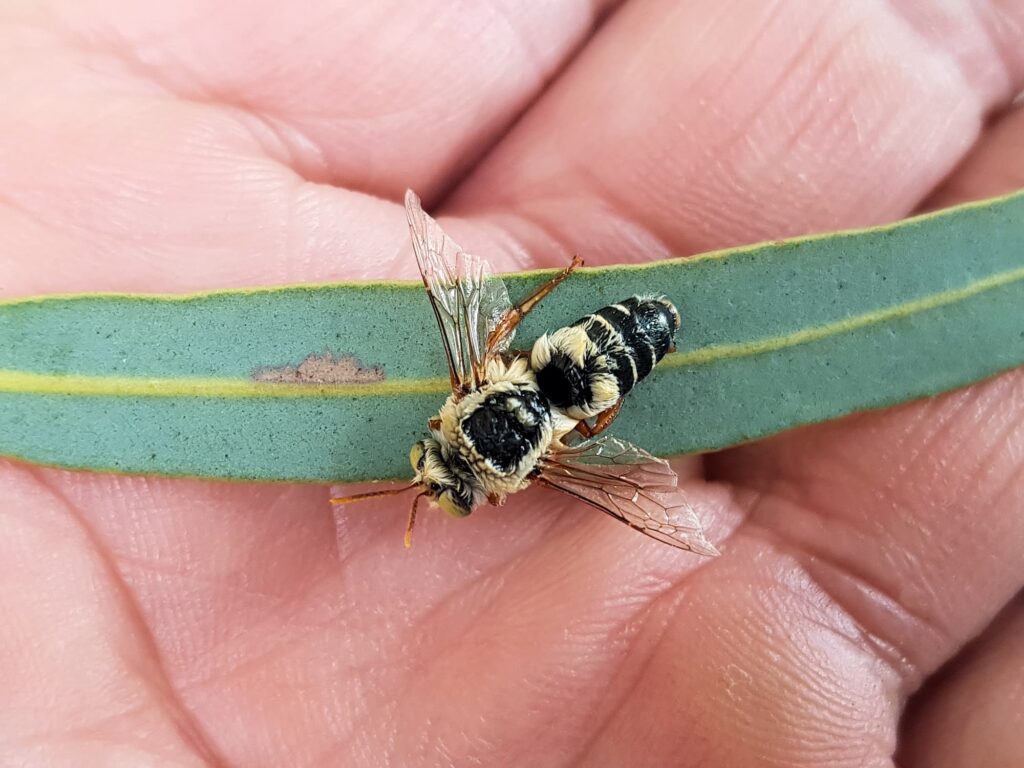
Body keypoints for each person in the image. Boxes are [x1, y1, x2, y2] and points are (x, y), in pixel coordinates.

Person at [1, 2, 1022, 766]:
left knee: (563, 382)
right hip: (580, 357)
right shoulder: (487, 402)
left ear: (467, 430)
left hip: (596, 369)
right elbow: (491, 338)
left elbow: (568, 445)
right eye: (444, 470)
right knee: (546, 366)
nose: (439, 462)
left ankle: (619, 342)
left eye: (441, 462)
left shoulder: (540, 458)